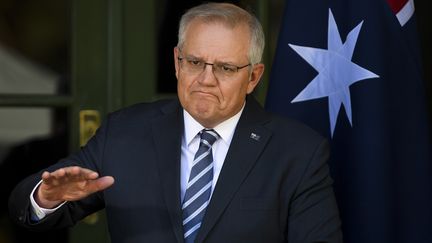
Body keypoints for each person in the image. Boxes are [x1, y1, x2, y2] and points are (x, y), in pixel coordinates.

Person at [8, 2, 342, 243]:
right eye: (195, 62)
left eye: (225, 68)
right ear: (177, 63)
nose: (205, 79)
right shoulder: (125, 133)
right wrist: (46, 198)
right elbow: (25, 208)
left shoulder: (298, 152)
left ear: (253, 77)